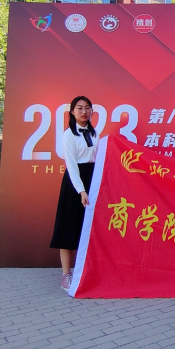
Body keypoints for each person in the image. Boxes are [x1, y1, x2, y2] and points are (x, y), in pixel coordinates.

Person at [50, 96, 99, 290]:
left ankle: (83, 270)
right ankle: (66, 274)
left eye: (87, 108)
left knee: (86, 228)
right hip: (74, 183)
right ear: (72, 112)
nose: (84, 112)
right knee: (68, 227)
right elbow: (71, 165)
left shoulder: (94, 133)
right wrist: (81, 190)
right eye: (79, 108)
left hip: (92, 179)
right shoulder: (69, 135)